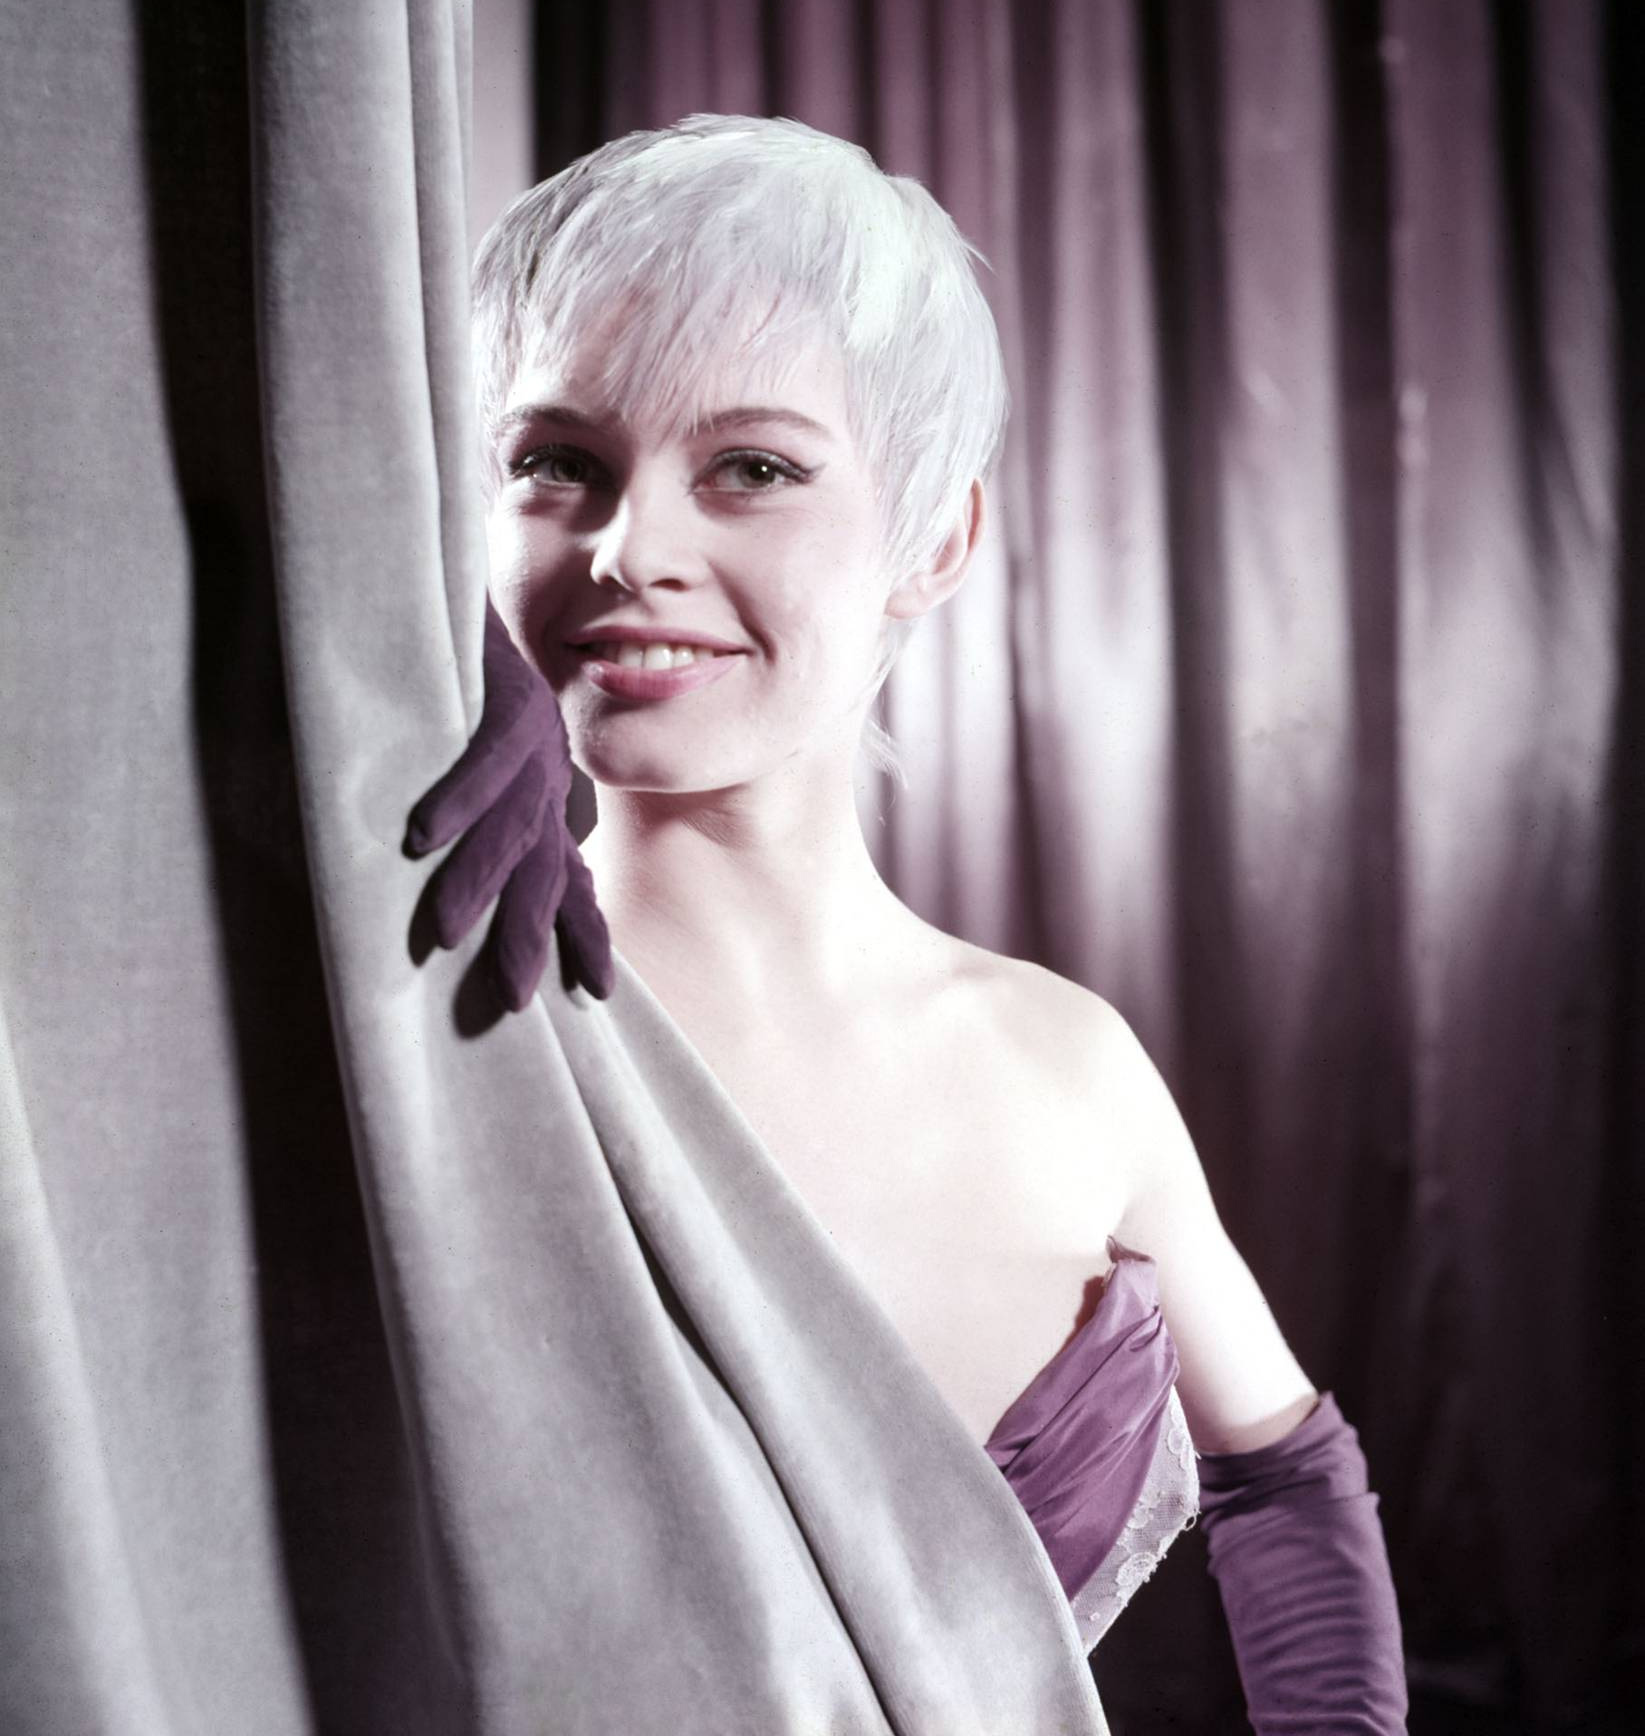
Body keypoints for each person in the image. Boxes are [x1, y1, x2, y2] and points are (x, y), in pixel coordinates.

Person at [406, 115, 1407, 1730]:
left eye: (750, 469)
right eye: (554, 464)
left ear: (933, 540)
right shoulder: (441, 1024)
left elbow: (1286, 1476)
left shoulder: (1062, 1059)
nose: (629, 550)